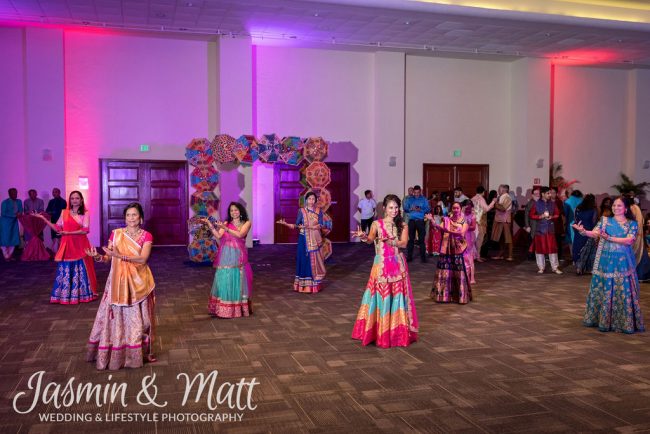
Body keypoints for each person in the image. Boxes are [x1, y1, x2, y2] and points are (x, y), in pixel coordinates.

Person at [85, 202, 156, 369]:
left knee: (139, 320)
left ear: (141, 218)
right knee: (114, 317)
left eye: (134, 215)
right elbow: (108, 258)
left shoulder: (147, 236)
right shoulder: (116, 234)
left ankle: (136, 352)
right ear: (125, 217)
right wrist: (97, 257)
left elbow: (143, 258)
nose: (131, 218)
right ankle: (116, 351)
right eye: (128, 215)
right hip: (117, 282)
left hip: (139, 282)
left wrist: (120, 255)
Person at [351, 194, 418, 348]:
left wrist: (390, 241)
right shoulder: (377, 224)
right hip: (381, 265)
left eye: (396, 207)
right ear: (384, 208)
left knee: (397, 296)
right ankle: (378, 332)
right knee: (379, 296)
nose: (394, 210)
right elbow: (370, 240)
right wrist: (362, 237)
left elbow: (404, 244)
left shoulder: (403, 225)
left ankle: (396, 333)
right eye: (390, 207)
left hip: (397, 264)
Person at [573, 197, 644, 334]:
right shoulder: (605, 221)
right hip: (605, 263)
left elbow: (629, 240)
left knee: (622, 291)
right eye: (614, 205)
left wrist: (609, 238)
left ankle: (623, 322)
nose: (615, 208)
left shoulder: (632, 224)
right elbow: (595, 234)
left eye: (619, 205)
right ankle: (603, 320)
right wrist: (583, 231)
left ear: (625, 208)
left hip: (623, 263)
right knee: (604, 288)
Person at [36, 191, 97, 304]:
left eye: (77, 198)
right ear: (70, 200)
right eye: (72, 198)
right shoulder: (64, 212)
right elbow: (57, 228)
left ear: (81, 200)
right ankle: (66, 295)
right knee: (67, 269)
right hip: (67, 244)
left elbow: (85, 230)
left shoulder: (85, 213)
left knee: (81, 269)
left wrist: (68, 233)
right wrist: (43, 219)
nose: (74, 200)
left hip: (80, 245)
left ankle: (82, 294)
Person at [202, 202, 253, 318]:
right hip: (225, 254)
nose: (233, 212)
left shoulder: (246, 223)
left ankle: (237, 308)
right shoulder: (226, 223)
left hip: (237, 255)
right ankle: (224, 308)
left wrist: (226, 228)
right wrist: (210, 225)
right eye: (231, 211)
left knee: (237, 278)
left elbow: (240, 235)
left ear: (240, 211)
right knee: (224, 278)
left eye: (236, 210)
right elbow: (219, 236)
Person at [277, 191, 326, 293]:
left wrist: (313, 227)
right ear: (306, 200)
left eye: (313, 199)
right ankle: (303, 286)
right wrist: (285, 224)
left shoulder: (318, 211)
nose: (311, 201)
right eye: (309, 199)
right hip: (304, 239)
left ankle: (314, 285)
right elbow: (296, 225)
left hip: (315, 240)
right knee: (303, 259)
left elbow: (321, 224)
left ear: (315, 200)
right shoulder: (301, 211)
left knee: (314, 261)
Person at [429, 202, 472, 304]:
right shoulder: (447, 220)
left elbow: (461, 234)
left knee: (458, 270)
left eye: (457, 208)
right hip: (446, 248)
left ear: (461, 209)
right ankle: (444, 296)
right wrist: (432, 221)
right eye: (454, 208)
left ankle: (460, 296)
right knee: (445, 270)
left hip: (457, 249)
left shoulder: (464, 222)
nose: (455, 210)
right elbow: (439, 227)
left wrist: (447, 230)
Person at [529, 187, 562, 274]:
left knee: (552, 249)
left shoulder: (553, 203)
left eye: (550, 193)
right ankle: (541, 267)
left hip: (550, 229)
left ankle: (555, 268)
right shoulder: (536, 204)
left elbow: (557, 214)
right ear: (543, 194)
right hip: (540, 229)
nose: (550, 195)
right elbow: (531, 215)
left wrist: (552, 217)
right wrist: (540, 216)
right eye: (548, 193)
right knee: (540, 249)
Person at [403, 185, 430, 263]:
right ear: (413, 192)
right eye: (415, 192)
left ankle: (423, 258)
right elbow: (405, 208)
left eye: (418, 192)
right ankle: (409, 257)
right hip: (411, 221)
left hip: (420, 221)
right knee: (411, 240)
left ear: (420, 191)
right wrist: (411, 208)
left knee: (421, 240)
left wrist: (420, 209)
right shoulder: (409, 199)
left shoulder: (424, 199)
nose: (417, 194)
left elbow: (428, 208)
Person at [573, 194, 598, 274]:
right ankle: (588, 268)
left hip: (578, 230)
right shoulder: (593, 210)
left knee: (578, 248)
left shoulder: (578, 208)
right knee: (588, 250)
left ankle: (579, 268)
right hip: (588, 231)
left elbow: (575, 219)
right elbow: (594, 222)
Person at [472, 186, 496, 262]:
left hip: (473, 221)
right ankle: (477, 256)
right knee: (480, 239)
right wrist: (493, 202)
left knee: (474, 239)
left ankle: (474, 256)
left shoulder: (472, 198)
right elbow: (486, 209)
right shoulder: (481, 199)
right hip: (480, 221)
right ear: (483, 192)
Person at [491, 185, 513, 261]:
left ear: (503, 190)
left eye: (499, 189)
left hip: (505, 220)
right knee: (501, 238)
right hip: (500, 220)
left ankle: (510, 255)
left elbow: (503, 208)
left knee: (508, 238)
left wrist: (495, 203)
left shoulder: (507, 197)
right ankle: (501, 254)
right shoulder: (501, 197)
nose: (498, 191)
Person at [1, 188, 23, 261]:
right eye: (13, 193)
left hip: (14, 222)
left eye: (16, 193)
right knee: (5, 239)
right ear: (9, 194)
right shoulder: (5, 202)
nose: (15, 194)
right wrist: (14, 215)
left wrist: (19, 214)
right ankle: (6, 255)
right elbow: (3, 213)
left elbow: (20, 210)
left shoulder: (19, 201)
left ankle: (9, 255)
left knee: (13, 239)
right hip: (5, 223)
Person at [46, 188, 67, 252]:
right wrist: (51, 212)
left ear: (59, 193)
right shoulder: (51, 201)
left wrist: (54, 212)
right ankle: (55, 252)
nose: (54, 193)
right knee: (54, 236)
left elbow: (63, 212)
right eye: (53, 192)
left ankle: (60, 251)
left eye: (55, 192)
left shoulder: (63, 201)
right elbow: (47, 211)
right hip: (53, 221)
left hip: (61, 222)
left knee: (60, 237)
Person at [563, 190, 584, 255]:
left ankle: (573, 257)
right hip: (581, 224)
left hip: (571, 223)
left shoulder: (567, 202)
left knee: (571, 241)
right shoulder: (583, 201)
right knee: (580, 240)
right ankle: (580, 257)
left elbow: (565, 214)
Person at [462, 200, 477, 284]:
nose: (468, 208)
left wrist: (466, 226)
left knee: (470, 258)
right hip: (460, 237)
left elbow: (473, 227)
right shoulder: (460, 214)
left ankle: (472, 277)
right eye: (466, 206)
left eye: (470, 206)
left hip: (468, 237)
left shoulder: (472, 215)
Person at [524, 188, 541, 254]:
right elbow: (526, 215)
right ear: (532, 195)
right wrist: (527, 226)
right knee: (532, 240)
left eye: (539, 194)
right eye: (536, 194)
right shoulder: (530, 203)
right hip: (532, 225)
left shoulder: (541, 202)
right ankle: (531, 255)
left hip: (539, 225)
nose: (538, 195)